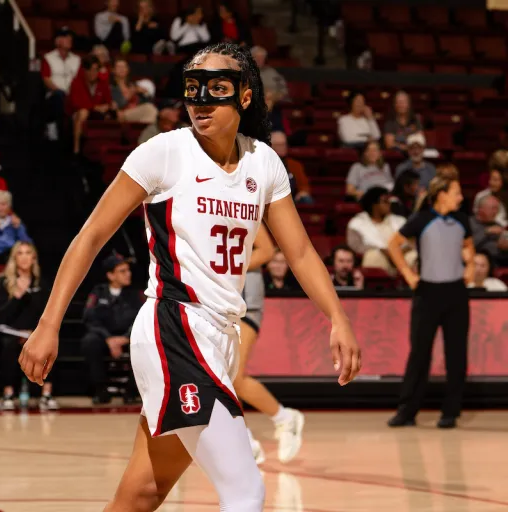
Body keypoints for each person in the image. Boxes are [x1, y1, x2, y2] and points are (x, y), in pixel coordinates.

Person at [18, 42, 360, 511]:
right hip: (174, 327)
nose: (200, 100)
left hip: (222, 335)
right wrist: (49, 324)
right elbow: (92, 235)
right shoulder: (164, 152)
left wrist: (337, 318)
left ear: (244, 96)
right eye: (193, 89)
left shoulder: (263, 162)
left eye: (216, 89)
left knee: (142, 493)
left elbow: (298, 251)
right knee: (246, 490)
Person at [386, 167, 473, 429]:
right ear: (442, 195)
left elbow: (468, 245)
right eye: (456, 193)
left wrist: (469, 265)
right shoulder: (421, 219)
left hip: (456, 293)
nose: (460, 198)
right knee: (420, 354)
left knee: (456, 354)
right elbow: (393, 244)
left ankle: (450, 412)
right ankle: (407, 411)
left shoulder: (462, 220)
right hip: (427, 294)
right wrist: (407, 275)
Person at [237, 225, 305, 465]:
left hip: (245, 301)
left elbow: (266, 251)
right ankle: (246, 440)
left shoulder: (242, 205)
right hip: (217, 300)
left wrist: (221, 270)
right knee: (219, 379)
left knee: (232, 377)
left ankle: (280, 420)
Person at [0, 242, 55, 410]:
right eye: (20, 253)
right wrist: (17, 298)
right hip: (9, 331)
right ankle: (8, 393)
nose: (25, 257)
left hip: (34, 331)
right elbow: (0, 316)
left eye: (28, 253)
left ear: (34, 258)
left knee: (48, 343)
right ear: (14, 258)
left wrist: (34, 332)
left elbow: (46, 312)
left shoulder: (41, 283)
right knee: (9, 344)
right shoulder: (3, 282)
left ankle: (46, 394)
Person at [81, 253, 143, 404]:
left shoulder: (136, 294)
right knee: (89, 342)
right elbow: (89, 318)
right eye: (122, 271)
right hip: (105, 337)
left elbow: (142, 318)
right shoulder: (98, 292)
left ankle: (132, 392)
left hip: (128, 336)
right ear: (110, 275)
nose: (128, 274)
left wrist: (126, 338)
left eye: (128, 270)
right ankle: (101, 390)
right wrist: (108, 338)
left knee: (145, 343)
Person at [346, 187, 414, 274]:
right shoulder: (357, 223)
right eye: (385, 201)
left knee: (413, 256)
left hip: (401, 257)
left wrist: (400, 251)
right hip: (379, 258)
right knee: (373, 256)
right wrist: (382, 250)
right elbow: (356, 247)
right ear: (374, 205)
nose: (389, 204)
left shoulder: (400, 220)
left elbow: (411, 241)